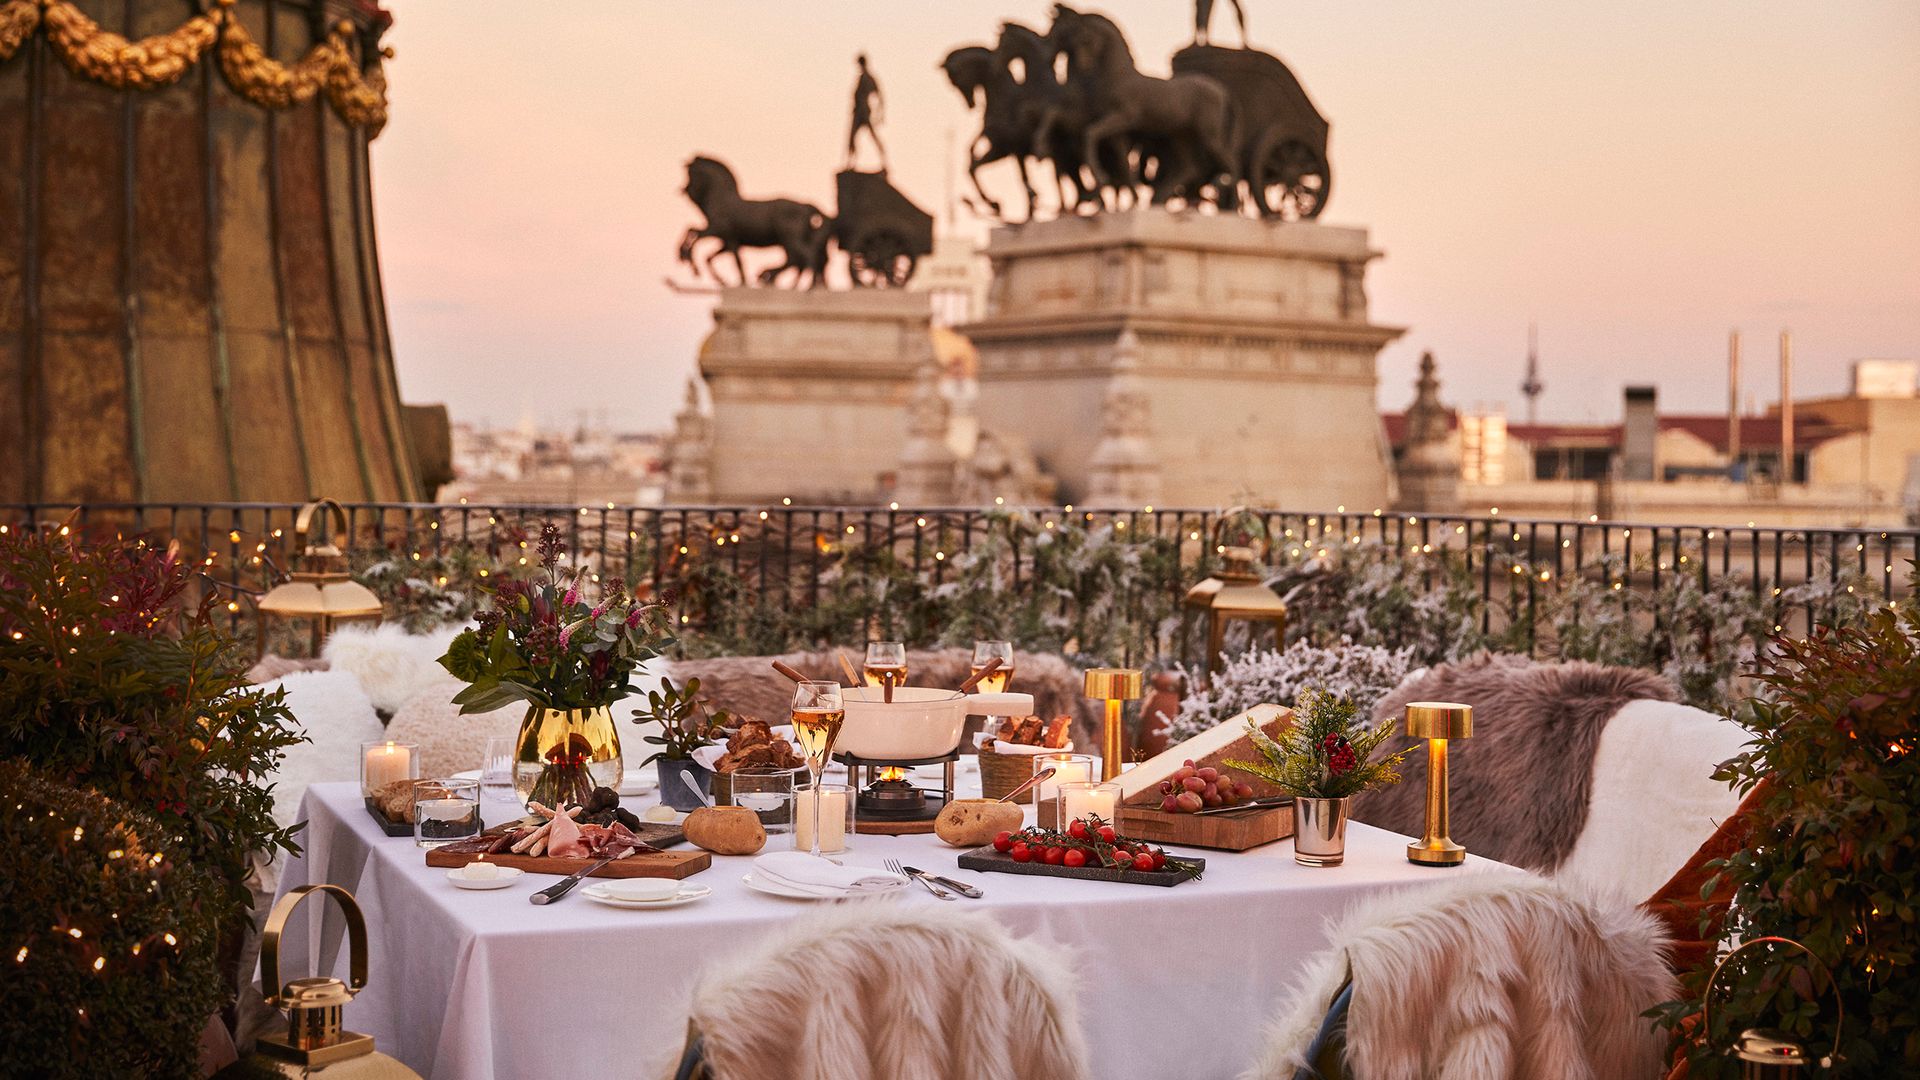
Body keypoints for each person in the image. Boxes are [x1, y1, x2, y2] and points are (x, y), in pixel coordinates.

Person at [846, 53, 887, 170]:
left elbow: (879, 95)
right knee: (853, 138)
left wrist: (880, 113)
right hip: (859, 111)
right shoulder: (863, 77)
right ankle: (850, 162)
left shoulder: (867, 78)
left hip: (862, 112)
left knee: (867, 137)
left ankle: (884, 161)